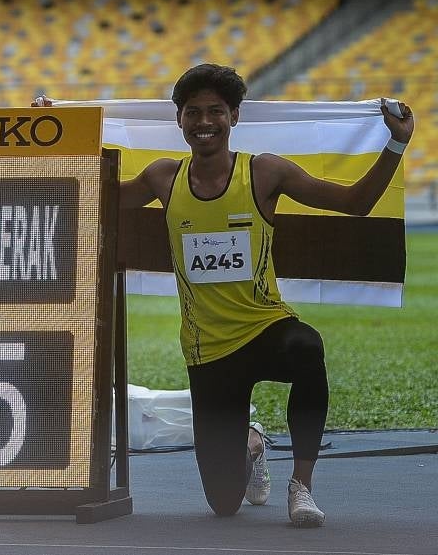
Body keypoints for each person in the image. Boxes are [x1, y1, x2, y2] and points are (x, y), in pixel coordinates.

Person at [34, 63, 414, 526]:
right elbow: (95, 192)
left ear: (234, 116)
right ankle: (253, 443)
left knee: (307, 347)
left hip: (265, 326)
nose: (204, 122)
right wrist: (52, 136)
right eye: (193, 112)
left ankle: (302, 487)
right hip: (208, 350)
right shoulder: (163, 178)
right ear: (179, 120)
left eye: (215, 111)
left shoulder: (265, 173)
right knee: (224, 504)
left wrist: (396, 143)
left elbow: (354, 203)